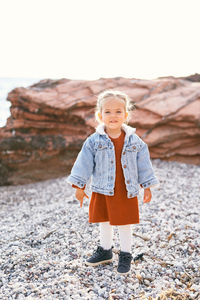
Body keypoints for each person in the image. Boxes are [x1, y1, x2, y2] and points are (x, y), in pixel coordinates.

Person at [67, 89, 159, 275]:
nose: (113, 116)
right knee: (105, 220)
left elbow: (144, 164)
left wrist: (147, 186)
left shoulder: (135, 141)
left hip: (126, 190)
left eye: (118, 111)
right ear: (100, 115)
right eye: (107, 112)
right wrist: (79, 186)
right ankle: (105, 250)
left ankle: (126, 254)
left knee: (125, 222)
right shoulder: (93, 141)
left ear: (126, 115)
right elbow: (83, 164)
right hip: (102, 189)